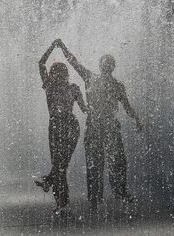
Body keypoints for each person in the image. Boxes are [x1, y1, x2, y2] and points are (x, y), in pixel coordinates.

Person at [56, 39, 143, 212]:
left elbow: (126, 106)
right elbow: (74, 62)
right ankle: (95, 199)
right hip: (95, 127)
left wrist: (137, 119)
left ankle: (119, 191)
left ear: (113, 67)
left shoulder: (118, 86)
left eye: (110, 63)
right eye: (105, 62)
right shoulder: (89, 77)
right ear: (100, 65)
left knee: (118, 161)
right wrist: (63, 47)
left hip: (110, 126)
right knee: (94, 163)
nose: (107, 65)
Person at [35, 40, 88, 214]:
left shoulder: (73, 88)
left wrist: (93, 108)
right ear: (51, 74)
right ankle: (60, 201)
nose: (57, 74)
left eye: (60, 72)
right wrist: (54, 46)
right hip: (56, 126)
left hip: (70, 126)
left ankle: (54, 190)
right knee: (59, 166)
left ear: (65, 74)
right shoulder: (49, 86)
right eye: (54, 72)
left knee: (60, 164)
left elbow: (84, 108)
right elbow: (41, 63)